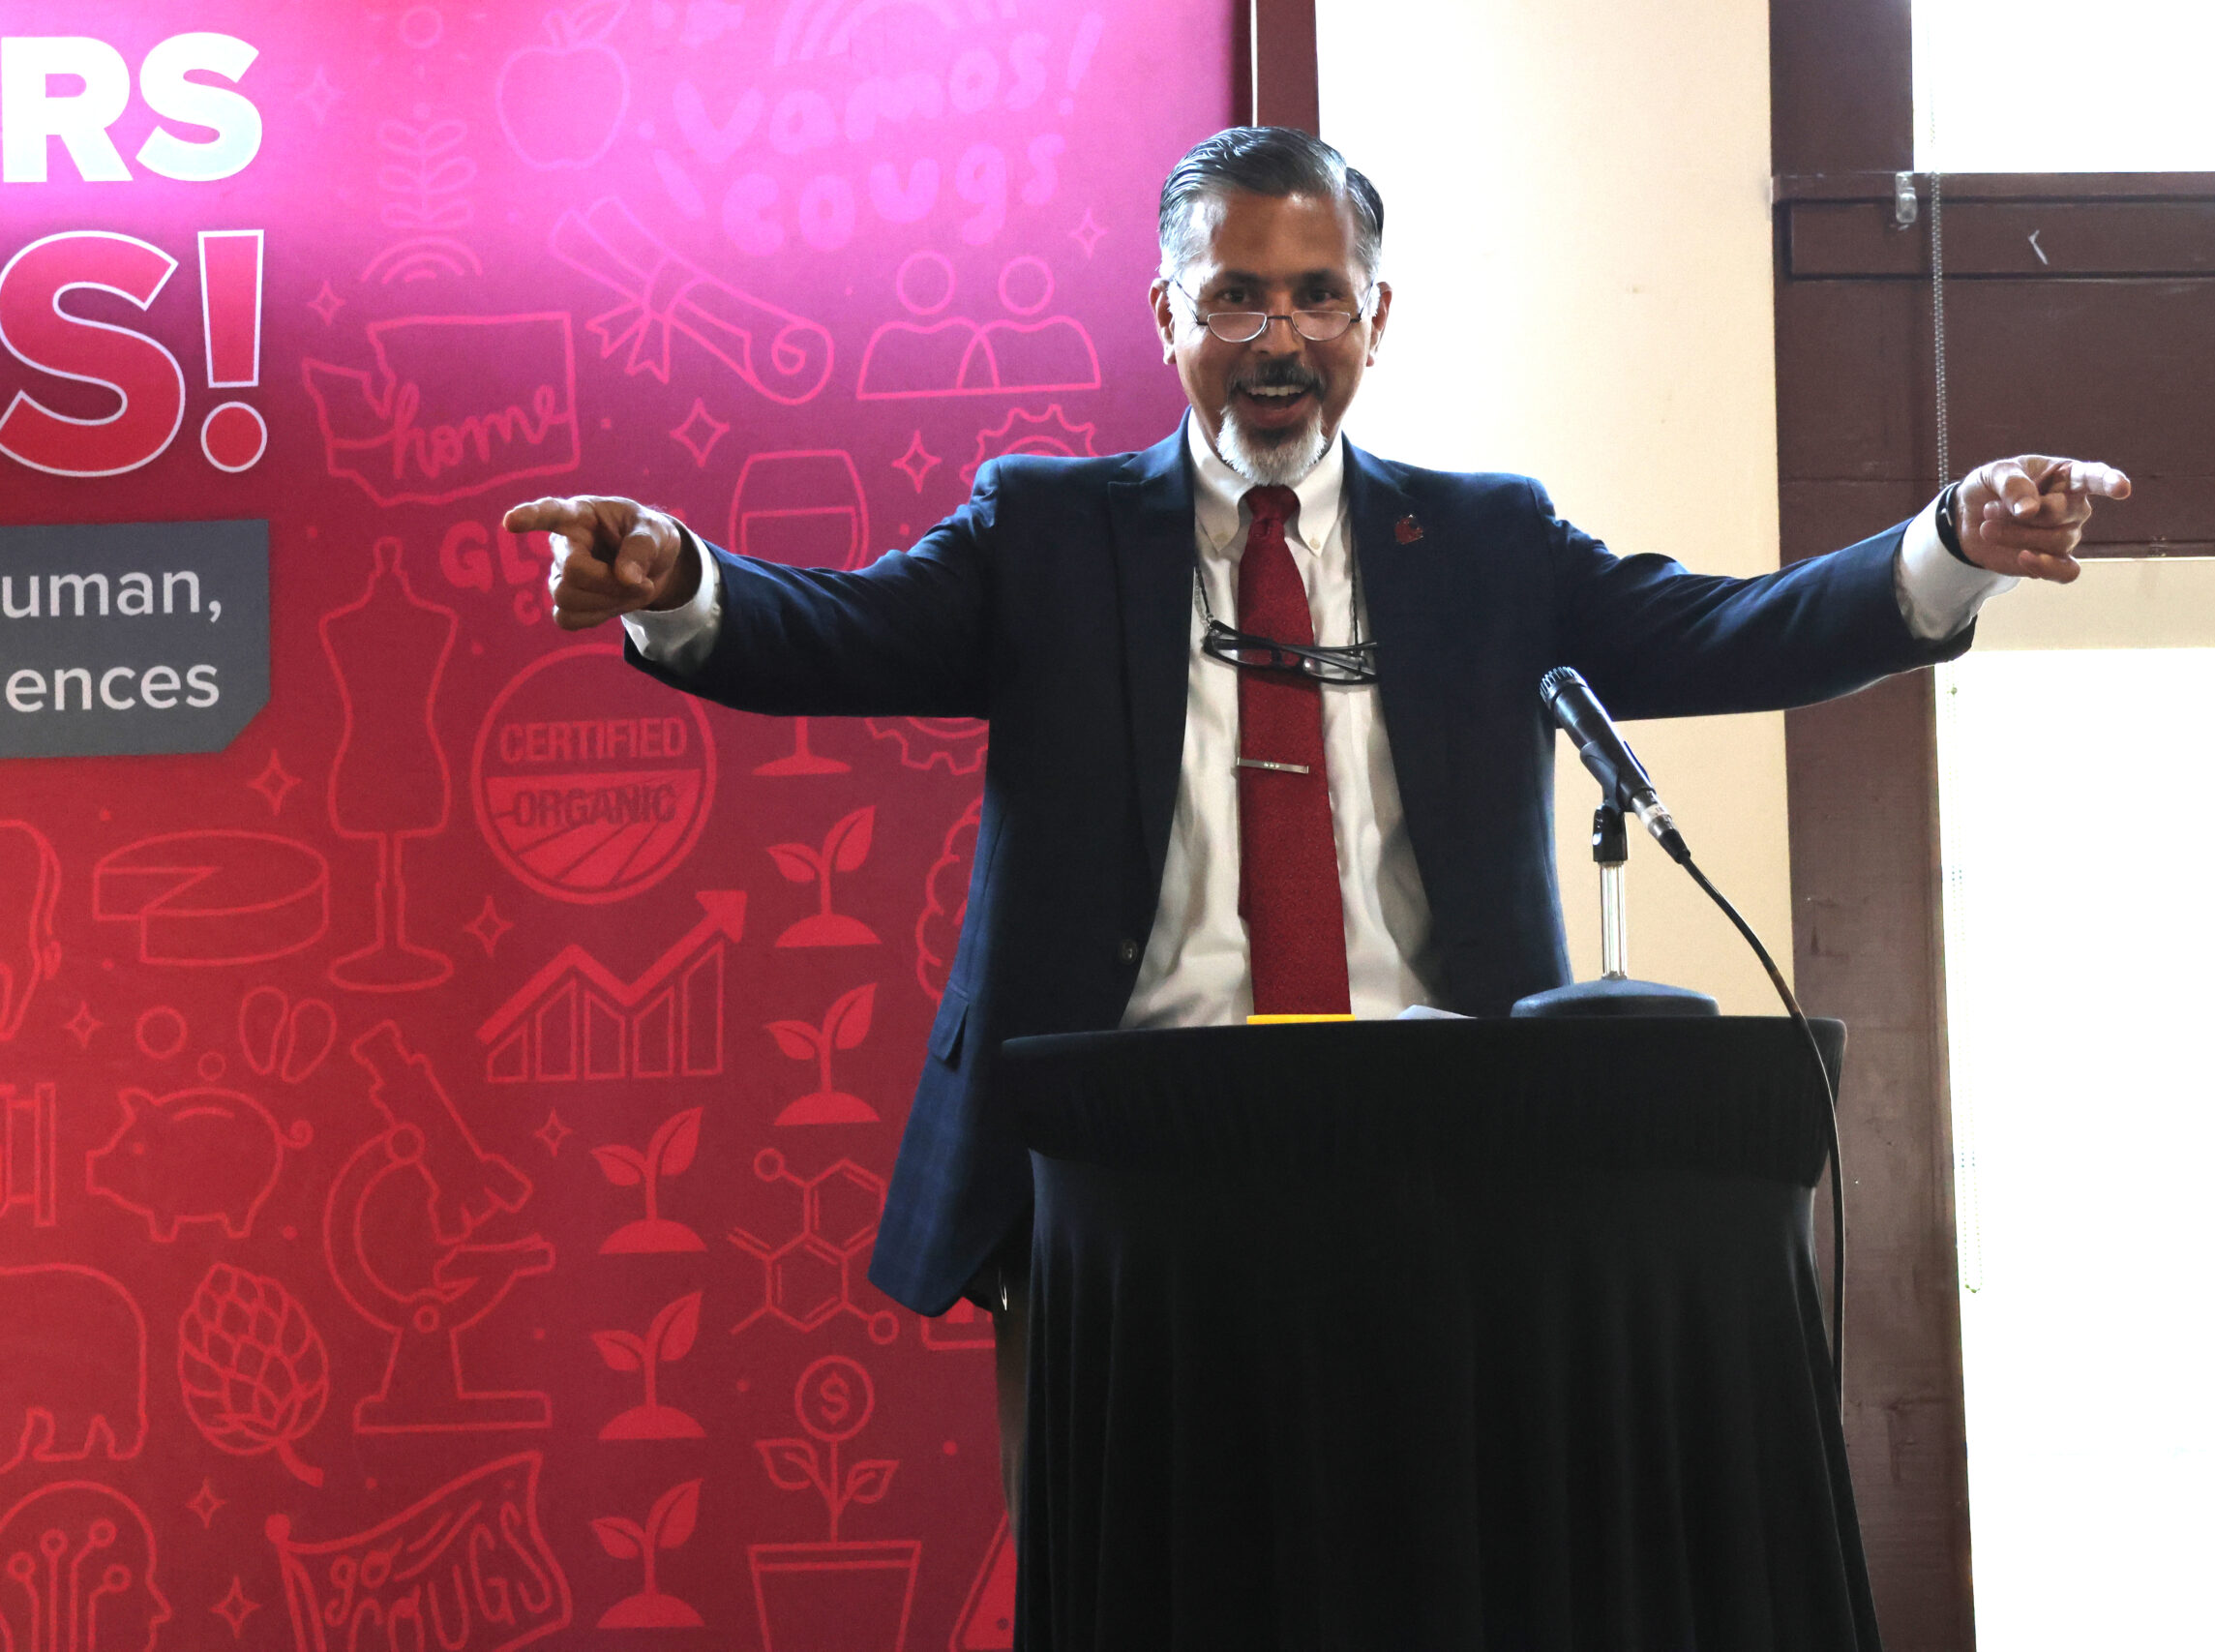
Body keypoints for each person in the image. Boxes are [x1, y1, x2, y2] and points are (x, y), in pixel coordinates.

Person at [509, 127, 2129, 1515]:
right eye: (1233, 295)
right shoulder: (1049, 532)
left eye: (1314, 295)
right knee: (1141, 1583)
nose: (1276, 335)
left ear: (1375, 317)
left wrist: (1947, 546)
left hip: (1439, 1147)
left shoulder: (1489, 543)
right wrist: (678, 581)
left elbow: (1727, 632)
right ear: (1167, 314)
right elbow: (839, 635)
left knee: (1428, 1565)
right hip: (1124, 1163)